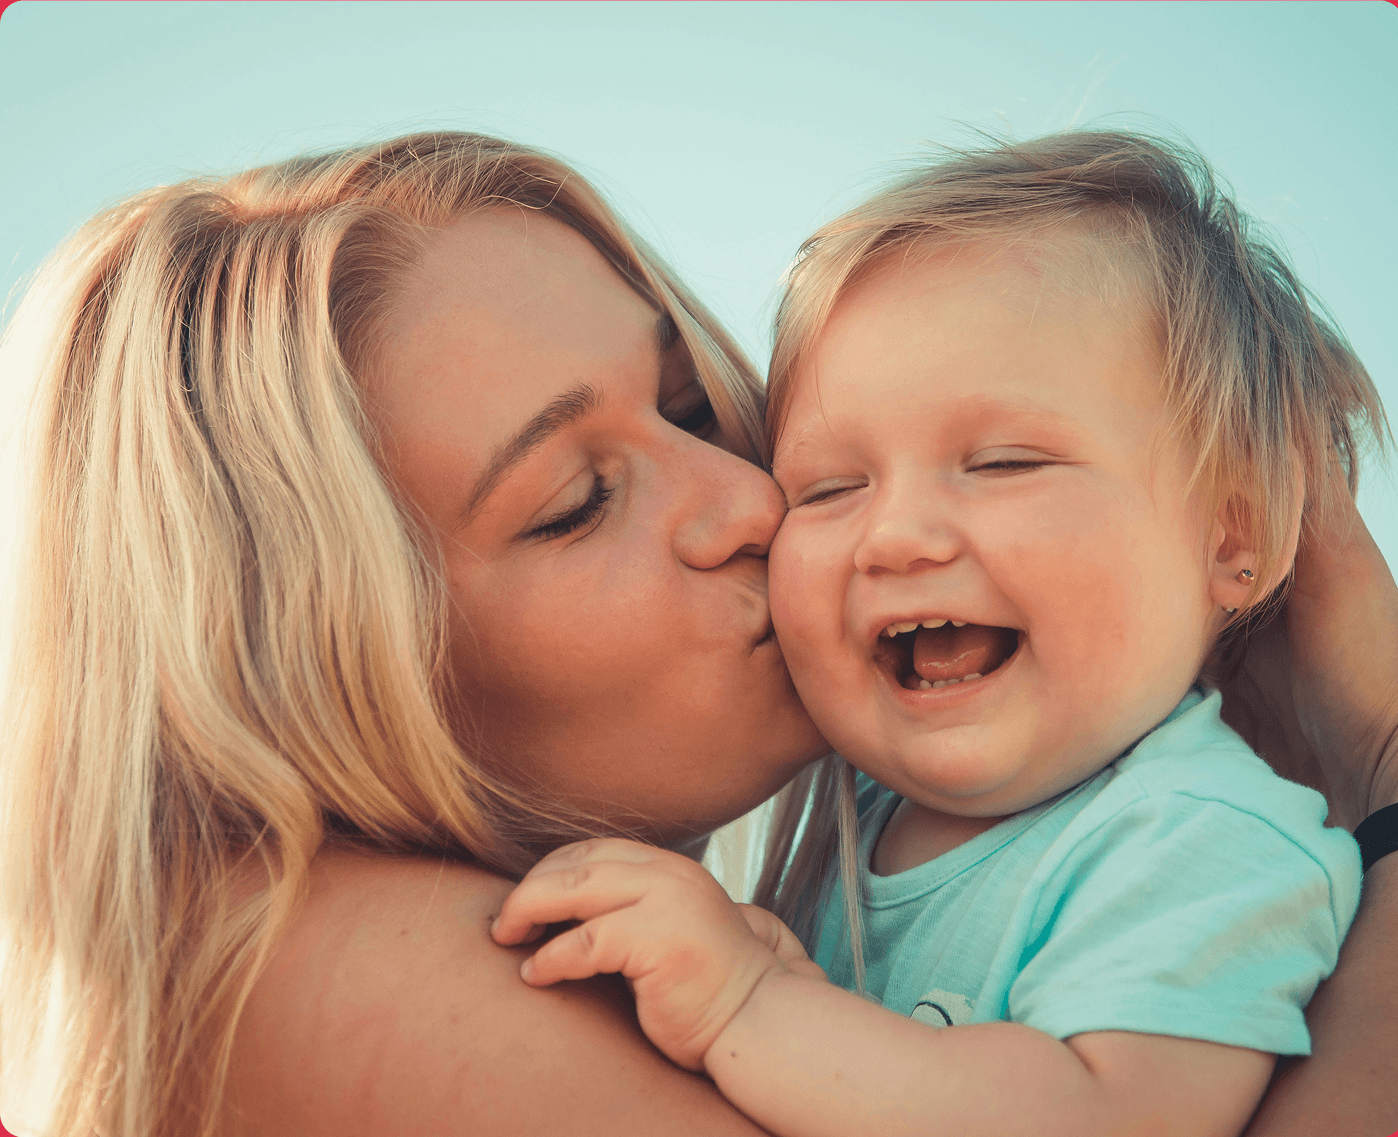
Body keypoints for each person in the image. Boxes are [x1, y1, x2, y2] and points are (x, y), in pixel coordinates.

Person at [0, 131, 1393, 1137]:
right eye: (576, 501)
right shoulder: (315, 959)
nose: (750, 497)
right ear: (326, 673)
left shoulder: (1106, 831)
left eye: (685, 408)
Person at [492, 132, 1383, 1137]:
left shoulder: (1207, 835)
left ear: (1235, 536)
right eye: (828, 488)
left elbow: (1104, 1119)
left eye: (1002, 463)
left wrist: (751, 1004)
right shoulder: (851, 815)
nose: (897, 536)